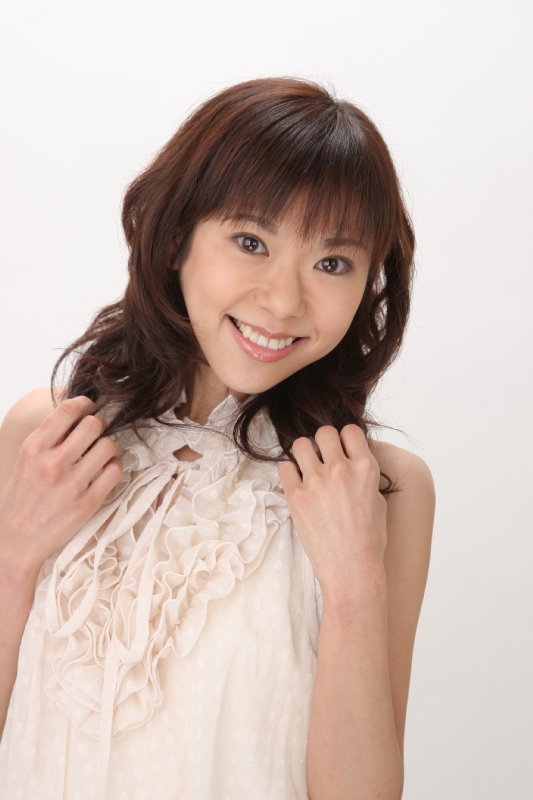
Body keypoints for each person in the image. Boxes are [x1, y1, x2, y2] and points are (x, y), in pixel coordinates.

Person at [0, 77, 435, 800]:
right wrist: (13, 558)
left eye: (332, 263)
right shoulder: (48, 436)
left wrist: (353, 584)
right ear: (176, 238)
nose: (284, 300)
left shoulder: (380, 488)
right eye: (250, 241)